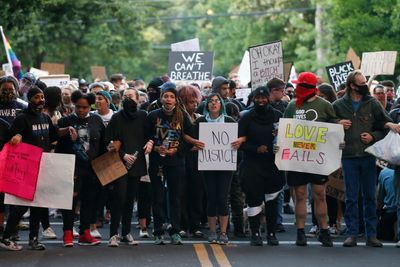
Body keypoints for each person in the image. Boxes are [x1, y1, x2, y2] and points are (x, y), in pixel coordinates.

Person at [332, 70, 400, 247]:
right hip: (348, 156)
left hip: (368, 155)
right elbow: (326, 126)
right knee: (351, 196)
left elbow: (383, 124)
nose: (364, 86)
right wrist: (337, 123)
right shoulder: (339, 105)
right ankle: (352, 233)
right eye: (361, 83)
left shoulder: (371, 102)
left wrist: (373, 136)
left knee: (370, 195)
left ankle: (371, 234)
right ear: (352, 86)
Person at [0, 86, 71, 251]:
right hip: (25, 168)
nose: (41, 100)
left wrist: (67, 130)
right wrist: (16, 138)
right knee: (21, 206)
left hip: (42, 166)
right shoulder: (21, 119)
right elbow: (11, 139)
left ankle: (33, 239)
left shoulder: (45, 118)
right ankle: (6, 237)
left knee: (39, 205)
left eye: (42, 97)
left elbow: (54, 134)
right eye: (37, 97)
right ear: (30, 99)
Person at [283, 72, 342, 247]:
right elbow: (285, 130)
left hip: (318, 158)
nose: (299, 90)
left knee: (320, 195)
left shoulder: (324, 105)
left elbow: (334, 129)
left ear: (310, 88)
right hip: (298, 158)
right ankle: (300, 231)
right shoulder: (292, 106)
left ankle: (324, 230)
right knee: (300, 195)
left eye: (302, 86)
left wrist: (337, 149)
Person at [188, 93, 243, 245]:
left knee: (222, 197)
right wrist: (195, 145)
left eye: (216, 101)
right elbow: (190, 141)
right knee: (211, 197)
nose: (213, 104)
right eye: (210, 101)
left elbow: (240, 139)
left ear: (221, 104)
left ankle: (224, 232)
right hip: (207, 164)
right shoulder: (200, 121)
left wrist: (239, 141)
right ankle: (212, 231)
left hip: (225, 165)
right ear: (206, 105)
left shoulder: (229, 121)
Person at [56, 90, 106, 247]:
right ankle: (67, 233)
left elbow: (103, 144)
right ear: (73, 105)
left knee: (89, 200)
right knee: (70, 201)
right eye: (78, 106)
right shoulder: (65, 121)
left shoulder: (97, 120)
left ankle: (85, 232)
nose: (81, 110)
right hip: (71, 167)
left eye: (84, 107)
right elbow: (55, 141)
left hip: (92, 168)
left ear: (90, 106)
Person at [146, 82, 192, 245]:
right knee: (157, 197)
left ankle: (175, 231)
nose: (168, 99)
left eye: (172, 97)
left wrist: (177, 150)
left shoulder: (182, 116)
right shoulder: (153, 116)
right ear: (161, 98)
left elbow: (189, 139)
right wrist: (155, 147)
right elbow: (146, 138)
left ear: (176, 100)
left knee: (175, 198)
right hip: (157, 163)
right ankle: (158, 231)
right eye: (166, 96)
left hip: (176, 162)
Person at [105, 89, 153, 247]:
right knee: (119, 198)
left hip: (137, 162)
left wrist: (150, 143)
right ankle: (113, 234)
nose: (128, 99)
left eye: (131, 96)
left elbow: (150, 135)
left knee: (130, 198)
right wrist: (123, 155)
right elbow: (109, 140)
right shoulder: (117, 117)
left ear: (138, 99)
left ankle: (126, 232)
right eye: (125, 96)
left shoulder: (143, 116)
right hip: (120, 163)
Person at [239, 87, 285, 246]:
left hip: (273, 166)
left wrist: (281, 146)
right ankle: (255, 233)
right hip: (252, 165)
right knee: (254, 199)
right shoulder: (246, 118)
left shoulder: (277, 116)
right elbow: (239, 143)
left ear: (269, 98)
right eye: (257, 98)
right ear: (253, 99)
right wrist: (255, 149)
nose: (261, 101)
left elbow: (285, 138)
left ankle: (271, 233)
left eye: (264, 97)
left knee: (272, 201)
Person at [177, 84, 205, 237]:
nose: (194, 105)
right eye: (190, 102)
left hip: (197, 162)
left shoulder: (200, 119)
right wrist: (189, 147)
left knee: (197, 193)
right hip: (181, 160)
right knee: (181, 193)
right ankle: (182, 224)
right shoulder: (177, 118)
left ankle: (195, 224)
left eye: (196, 102)